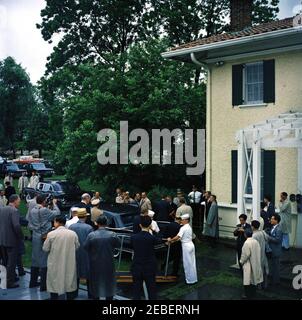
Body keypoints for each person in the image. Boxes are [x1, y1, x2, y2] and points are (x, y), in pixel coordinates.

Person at [27, 194, 60, 291]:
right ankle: (43, 285)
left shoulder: (33, 210)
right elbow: (57, 213)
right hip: (44, 236)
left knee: (35, 258)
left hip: (35, 235)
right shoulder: (44, 210)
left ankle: (32, 282)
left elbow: (29, 221)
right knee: (44, 259)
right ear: (44, 201)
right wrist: (54, 204)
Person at [43, 215, 80, 300]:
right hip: (69, 262)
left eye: (54, 221)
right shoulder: (72, 234)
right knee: (69, 282)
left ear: (57, 222)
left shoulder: (51, 234)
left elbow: (45, 248)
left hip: (55, 263)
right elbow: (77, 246)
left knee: (54, 284)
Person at [84, 215, 120, 300]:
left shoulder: (91, 235)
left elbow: (85, 247)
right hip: (109, 262)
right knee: (109, 282)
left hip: (95, 262)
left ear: (96, 223)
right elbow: (118, 244)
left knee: (95, 282)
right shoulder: (113, 235)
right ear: (106, 223)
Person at [131, 216, 160, 299]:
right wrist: (153, 230)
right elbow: (159, 239)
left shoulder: (134, 238)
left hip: (137, 266)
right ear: (150, 225)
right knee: (152, 290)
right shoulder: (152, 238)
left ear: (140, 225)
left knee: (136, 290)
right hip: (149, 266)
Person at [0, 194, 24, 288]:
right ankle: (10, 282)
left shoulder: (2, 209)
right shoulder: (14, 210)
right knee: (11, 262)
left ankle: (7, 278)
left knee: (5, 261)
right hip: (11, 240)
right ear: (14, 201)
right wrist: (21, 236)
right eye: (18, 201)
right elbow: (16, 226)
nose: (19, 202)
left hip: (2, 239)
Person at [69, 208, 93, 298]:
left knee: (75, 273)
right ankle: (91, 294)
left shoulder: (72, 227)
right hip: (86, 253)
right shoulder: (89, 228)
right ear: (85, 217)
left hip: (74, 252)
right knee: (89, 274)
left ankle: (74, 293)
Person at [168, 214, 197, 285]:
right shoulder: (189, 227)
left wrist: (170, 240)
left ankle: (189, 280)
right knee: (192, 263)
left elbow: (178, 237)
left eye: (182, 220)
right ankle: (194, 279)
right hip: (191, 245)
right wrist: (173, 241)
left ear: (186, 220)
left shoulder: (183, 228)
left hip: (186, 246)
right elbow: (181, 238)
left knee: (187, 264)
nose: (181, 221)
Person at [240, 229, 263, 299]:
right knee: (254, 280)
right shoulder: (256, 241)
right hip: (256, 262)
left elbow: (245, 255)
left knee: (247, 280)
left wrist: (241, 261)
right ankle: (253, 294)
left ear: (245, 235)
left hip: (248, 264)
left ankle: (247, 294)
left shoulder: (247, 243)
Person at [251, 220, 269, 289]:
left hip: (256, 256)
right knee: (265, 270)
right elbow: (267, 239)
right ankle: (266, 285)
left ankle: (259, 286)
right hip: (263, 254)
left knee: (258, 271)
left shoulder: (254, 235)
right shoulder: (262, 232)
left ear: (252, 226)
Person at [266, 214, 282, 286]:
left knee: (276, 267)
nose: (271, 220)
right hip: (272, 250)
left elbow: (278, 240)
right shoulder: (273, 227)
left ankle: (276, 282)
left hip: (275, 251)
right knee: (272, 266)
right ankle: (273, 281)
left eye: (272, 219)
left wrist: (268, 237)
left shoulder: (278, 229)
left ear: (276, 220)